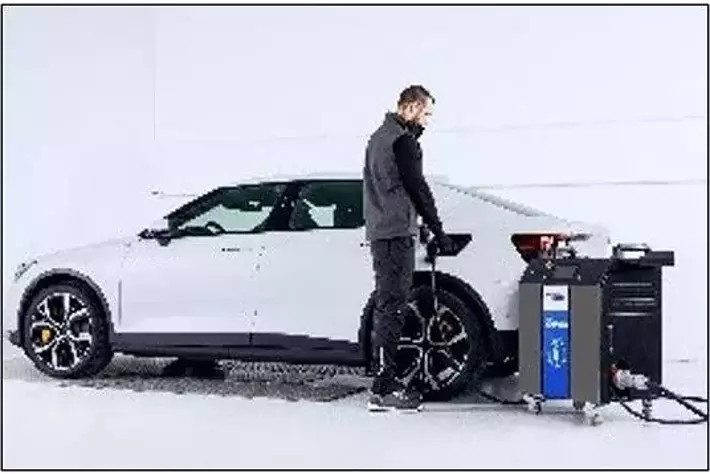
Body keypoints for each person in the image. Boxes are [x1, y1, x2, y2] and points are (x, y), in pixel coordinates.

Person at [363, 85, 455, 412]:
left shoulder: (378, 137)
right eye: (426, 113)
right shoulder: (402, 141)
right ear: (412, 107)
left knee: (388, 305)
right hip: (394, 236)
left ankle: (383, 382)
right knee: (393, 308)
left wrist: (419, 225)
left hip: (384, 231)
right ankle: (383, 389)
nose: (427, 121)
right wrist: (439, 231)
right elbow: (418, 188)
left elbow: (392, 189)